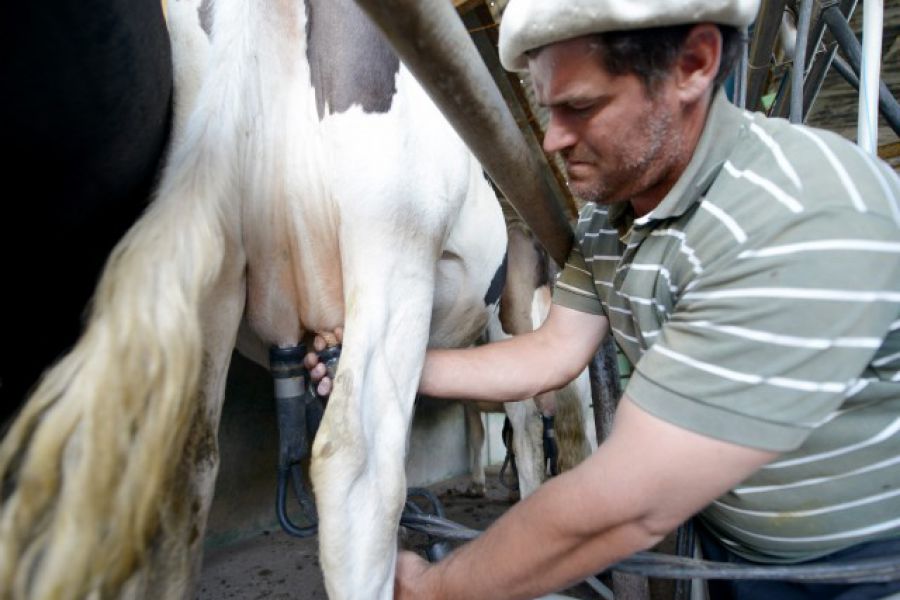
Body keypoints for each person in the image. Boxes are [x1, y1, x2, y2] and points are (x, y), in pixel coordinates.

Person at [309, 1, 900, 598]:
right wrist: (386, 364)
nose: (551, 138)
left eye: (581, 107)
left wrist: (437, 590)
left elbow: (629, 505)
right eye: (546, 107)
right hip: (730, 554)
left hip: (862, 567)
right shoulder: (609, 219)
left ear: (693, 65)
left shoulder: (799, 215)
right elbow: (551, 353)